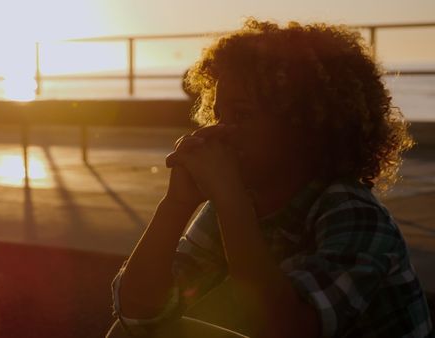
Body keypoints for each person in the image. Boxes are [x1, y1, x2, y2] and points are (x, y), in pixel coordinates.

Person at [106, 18, 433, 338]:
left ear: (306, 128)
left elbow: (284, 329)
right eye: (219, 115)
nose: (219, 132)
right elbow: (138, 310)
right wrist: (176, 203)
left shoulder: (355, 215)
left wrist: (230, 197)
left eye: (242, 115)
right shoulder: (240, 199)